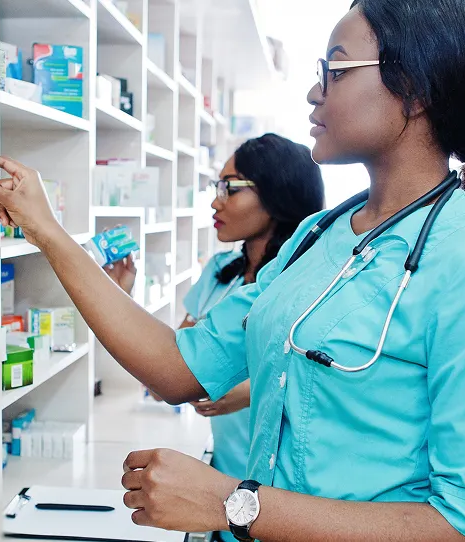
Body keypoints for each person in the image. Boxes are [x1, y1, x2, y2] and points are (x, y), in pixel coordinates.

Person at [0, 0, 465, 539]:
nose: (312, 92)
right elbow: (181, 367)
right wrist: (46, 231)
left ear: (415, 89)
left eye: (336, 70)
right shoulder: (316, 237)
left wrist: (234, 503)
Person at [102, 134, 325, 537]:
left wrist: (253, 389)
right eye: (215, 187)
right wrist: (120, 295)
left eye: (230, 187)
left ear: (278, 193)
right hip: (217, 491)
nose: (215, 201)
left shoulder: (311, 283)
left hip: (290, 505)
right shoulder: (220, 274)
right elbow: (166, 371)